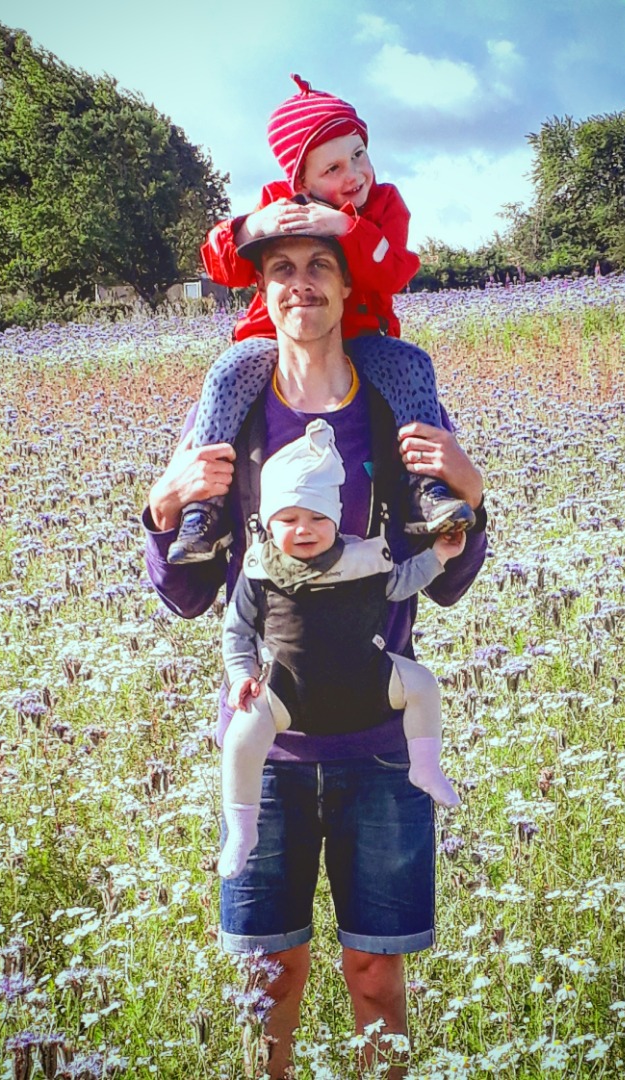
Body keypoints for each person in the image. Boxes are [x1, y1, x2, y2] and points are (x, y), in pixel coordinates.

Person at [144, 226, 486, 1078]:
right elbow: (187, 593)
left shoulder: (395, 400)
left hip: (380, 747)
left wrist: (473, 496)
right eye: (282, 270)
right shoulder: (234, 407)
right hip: (272, 749)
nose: (301, 284)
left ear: (347, 286)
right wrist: (162, 511)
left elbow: (446, 580)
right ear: (261, 293)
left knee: (376, 974)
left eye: (320, 267)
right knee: (270, 977)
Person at [167, 73, 474, 566]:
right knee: (226, 373)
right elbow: (221, 263)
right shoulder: (279, 204)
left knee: (412, 363)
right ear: (302, 182)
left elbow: (394, 269)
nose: (354, 175)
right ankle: (203, 511)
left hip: (365, 338)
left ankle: (426, 489)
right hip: (269, 341)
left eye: (359, 154)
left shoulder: (383, 206)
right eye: (332, 167)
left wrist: (347, 227)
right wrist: (250, 227)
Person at [219, 416, 464, 880]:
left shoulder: (362, 558)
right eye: (288, 519)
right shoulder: (259, 570)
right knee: (241, 737)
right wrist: (241, 676)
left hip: (368, 679)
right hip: (288, 691)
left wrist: (439, 556)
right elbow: (237, 629)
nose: (304, 529)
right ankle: (243, 829)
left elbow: (402, 583)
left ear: (335, 518)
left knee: (423, 685)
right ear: (268, 524)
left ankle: (425, 767)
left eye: (317, 518)